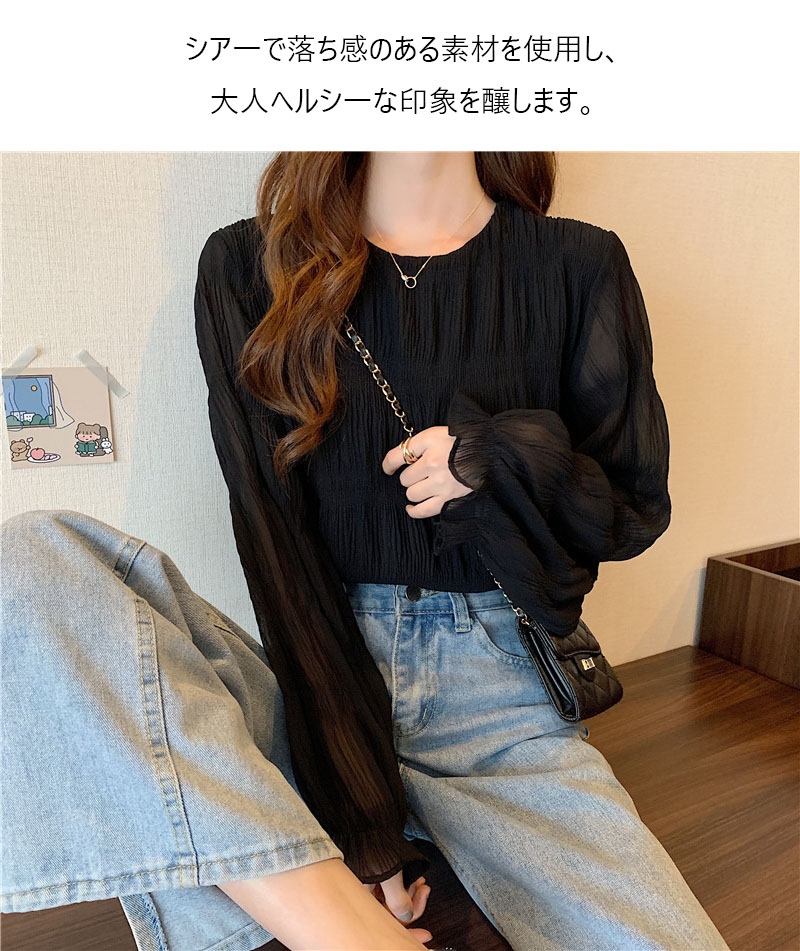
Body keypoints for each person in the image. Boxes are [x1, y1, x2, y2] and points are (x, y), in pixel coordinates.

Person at [0, 151, 732, 951]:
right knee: (33, 559)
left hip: (496, 700)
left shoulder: (577, 263)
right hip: (310, 686)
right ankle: (351, 934)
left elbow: (632, 505)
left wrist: (498, 454)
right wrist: (361, 815)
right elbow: (274, 547)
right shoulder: (248, 266)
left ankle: (305, 896)